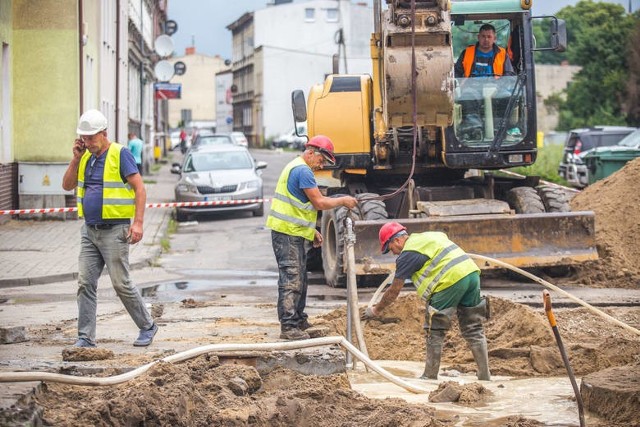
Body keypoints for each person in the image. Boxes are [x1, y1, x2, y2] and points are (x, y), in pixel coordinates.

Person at [62, 109, 158, 348]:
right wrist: (75, 158)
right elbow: (67, 186)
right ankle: (85, 337)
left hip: (115, 230)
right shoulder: (84, 156)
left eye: (91, 138)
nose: (87, 142)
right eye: (83, 138)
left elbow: (140, 189)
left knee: (120, 283)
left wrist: (138, 223)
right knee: (85, 283)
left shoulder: (120, 153)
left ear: (104, 133)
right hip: (90, 230)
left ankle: (148, 326)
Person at [363, 222, 490, 381]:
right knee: (473, 327)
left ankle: (429, 376)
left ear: (396, 241)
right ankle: (485, 375)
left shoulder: (407, 254)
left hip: (450, 280)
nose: (393, 253)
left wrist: (375, 310)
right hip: (472, 274)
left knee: (434, 330)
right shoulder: (428, 237)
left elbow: (394, 291)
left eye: (390, 249)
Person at [266, 135, 358, 340]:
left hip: (292, 232)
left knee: (300, 278)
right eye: (321, 159)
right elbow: (319, 203)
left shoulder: (297, 167)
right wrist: (342, 200)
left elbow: (297, 207)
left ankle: (298, 320)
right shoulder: (302, 170)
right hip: (286, 233)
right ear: (310, 153)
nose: (322, 164)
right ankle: (289, 326)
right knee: (292, 279)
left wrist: (311, 231)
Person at [453, 23, 516, 141]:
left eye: (489, 37)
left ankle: (499, 128)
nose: (486, 39)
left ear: (494, 38)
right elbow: (457, 72)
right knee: (467, 97)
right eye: (483, 36)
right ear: (478, 37)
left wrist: (499, 86)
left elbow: (509, 74)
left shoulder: (502, 53)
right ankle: (475, 128)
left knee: (507, 97)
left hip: (496, 86)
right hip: (473, 86)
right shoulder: (467, 52)